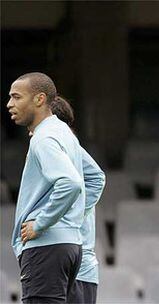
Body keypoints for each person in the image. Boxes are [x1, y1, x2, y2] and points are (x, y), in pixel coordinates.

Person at [7, 72, 85, 303]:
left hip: (46, 246)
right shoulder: (65, 134)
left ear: (39, 99)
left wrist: (42, 223)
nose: (9, 104)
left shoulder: (43, 138)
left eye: (16, 97)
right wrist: (71, 219)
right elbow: (95, 177)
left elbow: (71, 183)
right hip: (70, 245)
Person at [50, 97, 105, 304]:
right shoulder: (57, 150)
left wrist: (65, 215)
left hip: (77, 271)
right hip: (61, 266)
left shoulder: (67, 146)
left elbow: (97, 179)